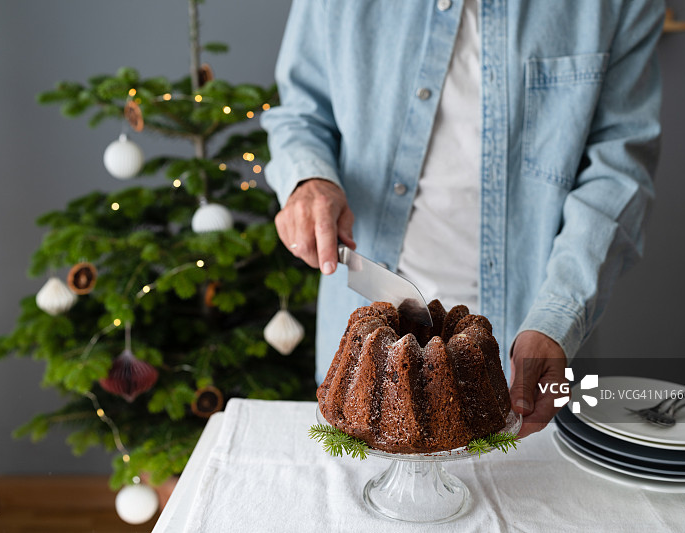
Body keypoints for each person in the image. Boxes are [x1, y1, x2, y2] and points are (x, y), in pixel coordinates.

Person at [261, 0, 663, 437]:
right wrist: (309, 178)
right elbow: (301, 114)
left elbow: (618, 169)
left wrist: (557, 316)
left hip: (529, 350)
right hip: (368, 364)